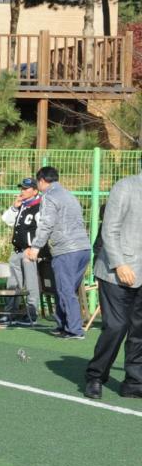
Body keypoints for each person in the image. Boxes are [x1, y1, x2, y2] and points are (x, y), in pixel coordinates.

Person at [85, 170, 142, 399]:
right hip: (116, 273)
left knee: (139, 330)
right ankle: (95, 376)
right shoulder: (125, 186)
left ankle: (134, 382)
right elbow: (110, 229)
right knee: (116, 326)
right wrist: (119, 264)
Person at [26, 167, 92, 340]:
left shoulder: (49, 196)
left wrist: (36, 246)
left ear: (41, 181)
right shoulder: (69, 195)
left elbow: (46, 224)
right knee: (66, 289)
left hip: (66, 249)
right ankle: (63, 325)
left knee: (65, 290)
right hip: (83, 248)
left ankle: (75, 330)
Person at [2, 178, 46, 325]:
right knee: (13, 282)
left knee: (31, 283)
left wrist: (34, 248)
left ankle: (31, 313)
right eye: (22, 188)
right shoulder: (22, 205)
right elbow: (6, 220)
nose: (22, 191)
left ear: (35, 190)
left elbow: (42, 230)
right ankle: (10, 313)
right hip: (17, 250)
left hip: (29, 252)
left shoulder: (39, 205)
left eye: (26, 188)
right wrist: (15, 207)